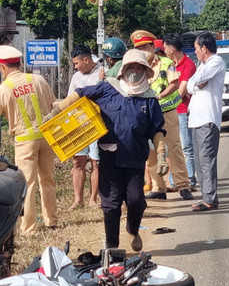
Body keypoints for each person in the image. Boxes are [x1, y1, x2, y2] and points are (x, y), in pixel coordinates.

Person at [52, 49, 167, 251]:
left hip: (135, 158)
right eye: (131, 67)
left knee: (136, 201)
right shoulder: (108, 88)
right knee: (111, 205)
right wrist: (57, 110)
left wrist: (162, 155)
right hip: (109, 157)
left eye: (139, 68)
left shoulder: (149, 99)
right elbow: (81, 93)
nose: (134, 71)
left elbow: (157, 130)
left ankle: (133, 229)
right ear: (123, 70)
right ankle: (112, 247)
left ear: (145, 71)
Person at [0, 44, 59, 234]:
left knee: (27, 184)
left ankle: (29, 227)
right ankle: (51, 220)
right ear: (19, 63)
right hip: (46, 135)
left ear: (2, 66)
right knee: (47, 179)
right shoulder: (39, 80)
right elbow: (53, 104)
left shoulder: (1, 90)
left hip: (25, 139)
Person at [131, 30, 193, 201]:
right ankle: (158, 187)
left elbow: (174, 84)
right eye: (139, 48)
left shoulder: (166, 63)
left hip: (166, 111)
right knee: (151, 151)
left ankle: (183, 185)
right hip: (146, 115)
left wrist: (159, 97)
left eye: (145, 47)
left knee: (174, 148)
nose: (143, 51)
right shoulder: (135, 66)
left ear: (153, 46)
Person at [186, 32, 226, 211]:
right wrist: (196, 83)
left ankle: (210, 198)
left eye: (196, 48)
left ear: (204, 48)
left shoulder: (216, 62)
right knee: (198, 161)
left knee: (206, 159)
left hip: (208, 119)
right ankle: (205, 196)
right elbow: (189, 85)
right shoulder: (201, 65)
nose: (195, 52)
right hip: (195, 119)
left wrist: (195, 82)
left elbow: (197, 80)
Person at [68, 44, 104, 209]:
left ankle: (93, 199)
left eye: (77, 63)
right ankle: (78, 200)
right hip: (79, 123)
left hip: (97, 124)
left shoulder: (102, 73)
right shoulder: (76, 77)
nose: (76, 67)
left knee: (96, 163)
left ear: (86, 60)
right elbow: (70, 99)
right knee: (78, 162)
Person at [164, 33, 199, 190]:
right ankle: (175, 181)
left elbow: (181, 91)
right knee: (172, 147)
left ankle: (189, 179)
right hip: (171, 111)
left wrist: (165, 101)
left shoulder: (188, 64)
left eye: (165, 48)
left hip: (182, 111)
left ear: (172, 49)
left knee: (186, 146)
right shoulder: (170, 65)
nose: (164, 51)